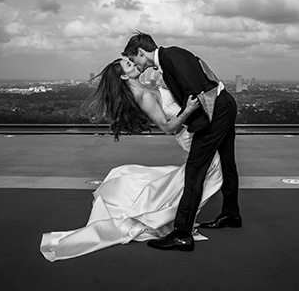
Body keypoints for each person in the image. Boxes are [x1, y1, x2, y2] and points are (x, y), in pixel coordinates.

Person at [40, 57, 223, 261]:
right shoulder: (143, 96)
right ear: (125, 76)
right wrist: (188, 110)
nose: (135, 64)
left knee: (204, 173)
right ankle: (176, 221)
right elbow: (167, 127)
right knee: (212, 171)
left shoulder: (146, 88)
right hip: (189, 136)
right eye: (129, 65)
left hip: (197, 134)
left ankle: (180, 219)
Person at [122, 31, 241, 252]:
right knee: (227, 164)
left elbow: (197, 93)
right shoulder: (169, 59)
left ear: (140, 52)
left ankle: (183, 235)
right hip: (222, 107)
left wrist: (195, 129)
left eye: (133, 58)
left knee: (195, 170)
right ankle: (231, 215)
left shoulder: (170, 57)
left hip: (215, 112)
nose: (135, 63)